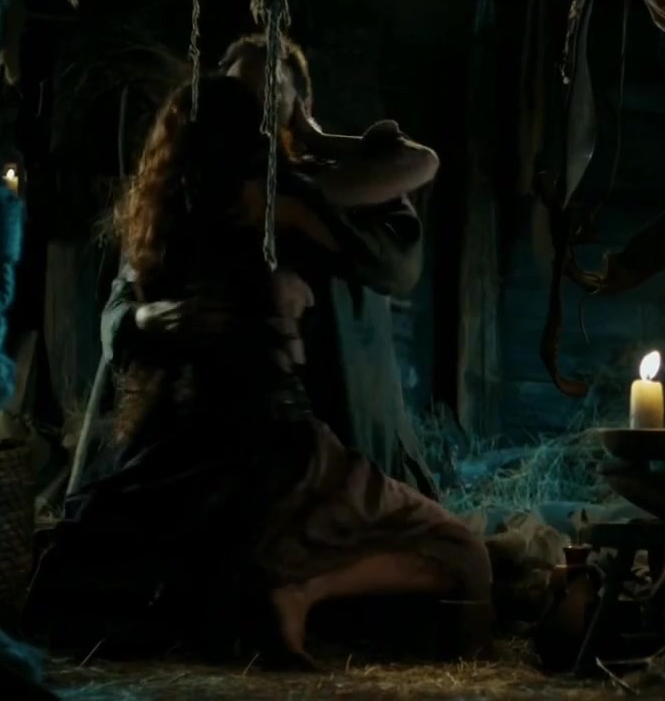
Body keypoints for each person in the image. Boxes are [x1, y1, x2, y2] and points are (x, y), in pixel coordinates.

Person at [33, 76, 490, 666]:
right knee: (462, 556)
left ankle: (286, 591)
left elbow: (403, 213)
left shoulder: (193, 211)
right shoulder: (257, 204)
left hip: (211, 447)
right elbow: (122, 314)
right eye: (260, 100)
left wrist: (314, 148)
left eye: (280, 94)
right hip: (266, 448)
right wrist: (171, 315)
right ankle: (298, 592)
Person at [94, 32, 435, 495]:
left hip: (342, 449)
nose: (253, 109)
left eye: (271, 92)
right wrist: (155, 317)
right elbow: (117, 315)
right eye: (241, 93)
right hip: (217, 456)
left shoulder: (347, 186)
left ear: (299, 106)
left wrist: (301, 197)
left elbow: (397, 265)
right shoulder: (183, 196)